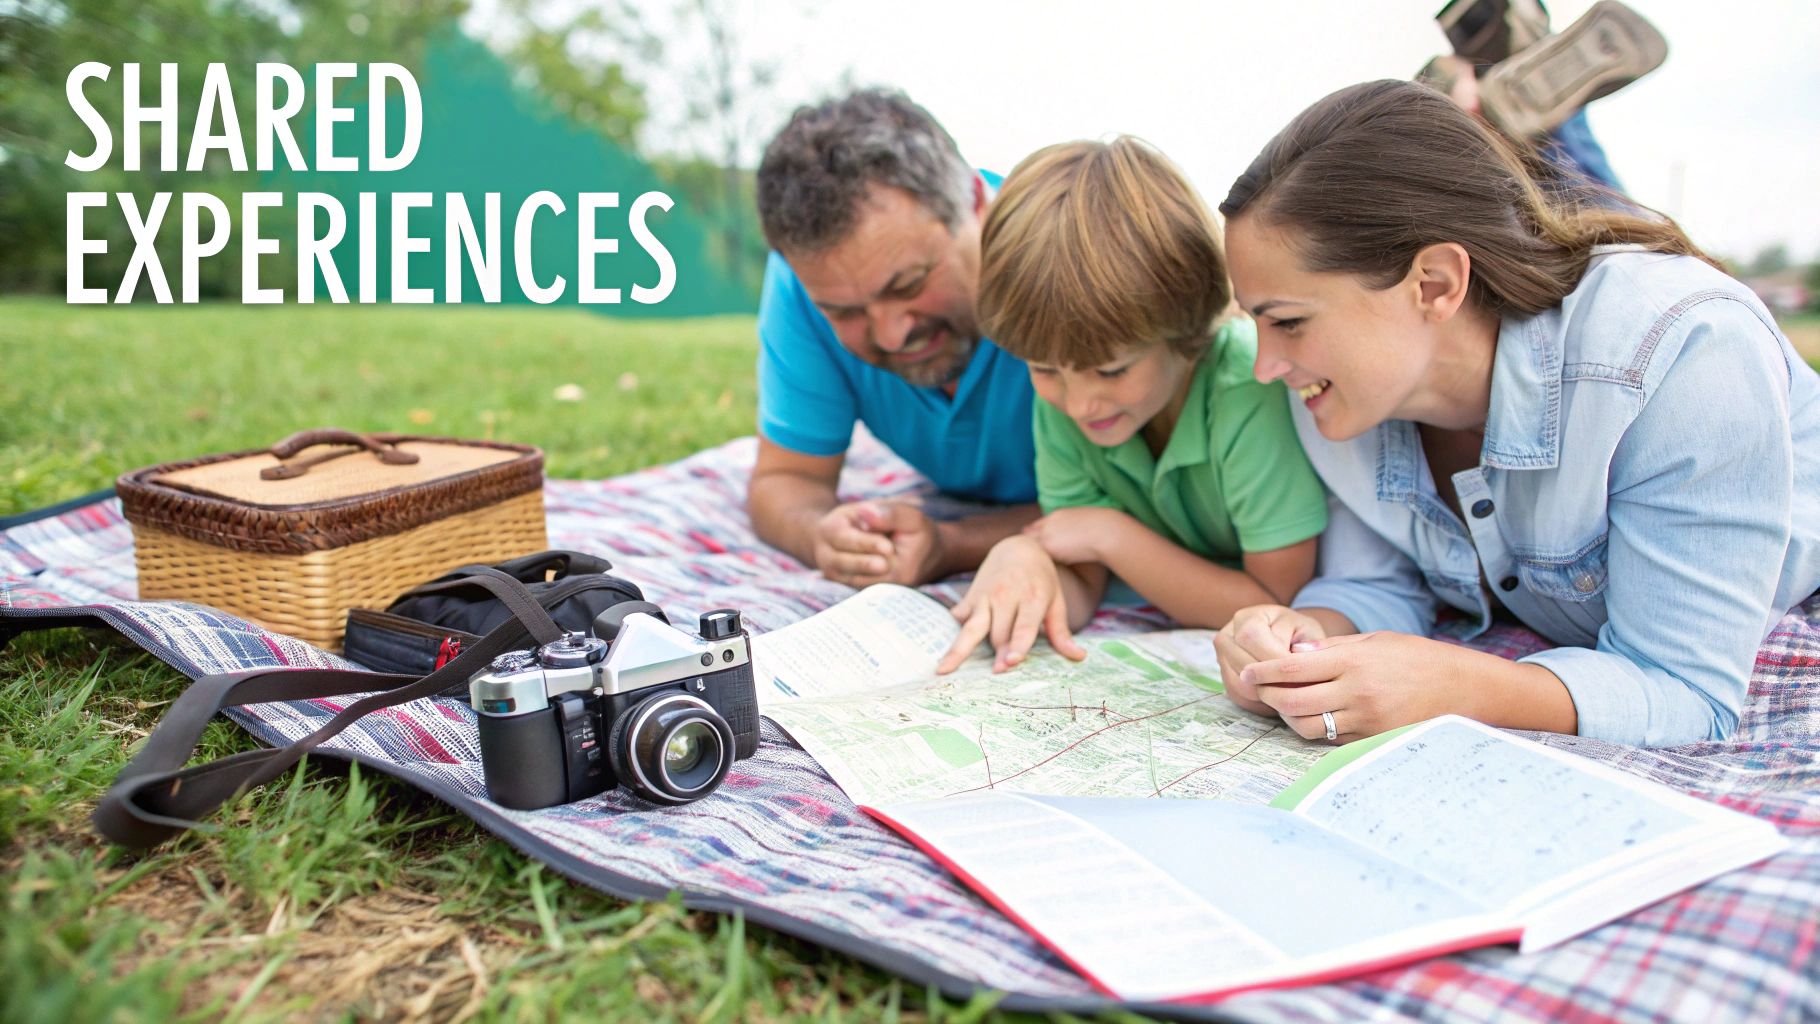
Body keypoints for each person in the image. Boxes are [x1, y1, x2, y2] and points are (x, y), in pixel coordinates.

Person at [1212, 80, 1820, 749]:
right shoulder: (1339, 396)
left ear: (1435, 284)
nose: (1265, 367)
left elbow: (1685, 689)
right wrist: (1303, 640)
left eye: (1288, 322)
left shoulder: (1683, 351)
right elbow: (1376, 584)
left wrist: (1459, 687)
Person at [935, 139, 1328, 674]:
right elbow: (1083, 583)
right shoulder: (1062, 404)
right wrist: (1026, 561)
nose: (1079, 403)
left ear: (1185, 331)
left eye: (1112, 371)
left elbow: (1277, 600)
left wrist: (1111, 537)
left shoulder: (1246, 388)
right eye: (1044, 369)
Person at [750, 90, 1040, 588]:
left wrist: (954, 544)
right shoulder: (802, 282)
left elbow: (1138, 508)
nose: (892, 335)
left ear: (975, 204)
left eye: (908, 284)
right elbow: (787, 479)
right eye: (844, 312)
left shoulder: (1061, 253)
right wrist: (823, 535)